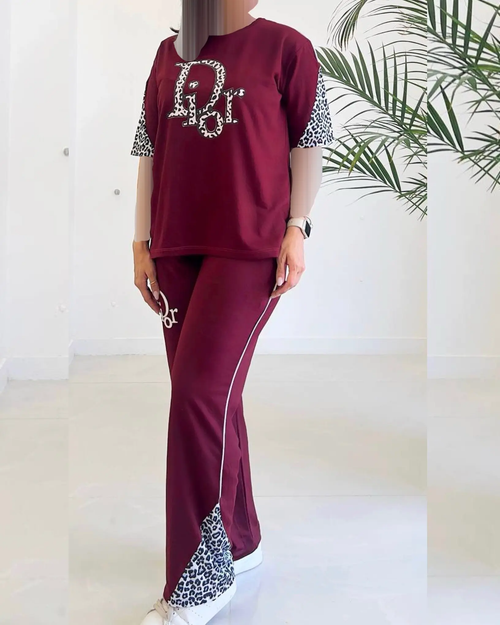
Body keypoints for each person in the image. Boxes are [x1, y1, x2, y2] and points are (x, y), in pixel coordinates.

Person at [130, 2, 334, 624]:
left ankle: (198, 582)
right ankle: (238, 543)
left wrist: (298, 226)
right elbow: (148, 149)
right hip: (175, 248)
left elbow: (309, 141)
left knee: (198, 395)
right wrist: (140, 242)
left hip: (249, 247)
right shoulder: (169, 54)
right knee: (216, 398)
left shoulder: (287, 48)